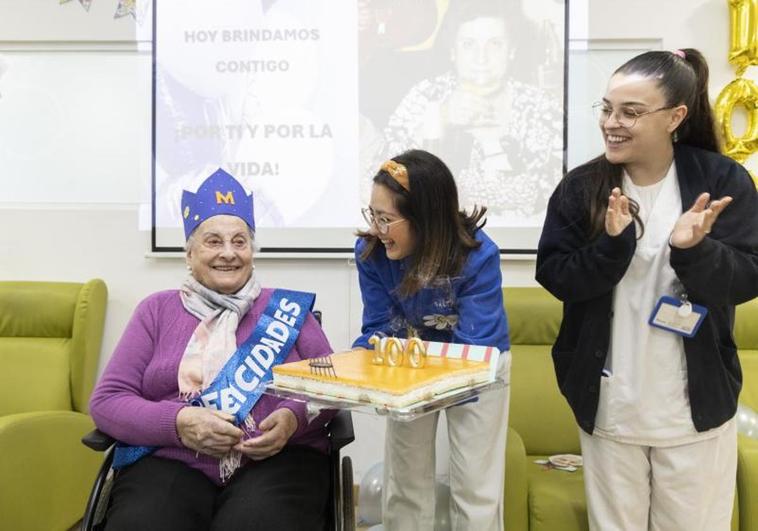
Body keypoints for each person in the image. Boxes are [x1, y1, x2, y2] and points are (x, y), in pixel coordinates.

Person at [536, 49, 758, 530]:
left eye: (631, 113)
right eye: (608, 108)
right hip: (612, 402)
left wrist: (696, 250)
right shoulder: (583, 188)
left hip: (693, 406)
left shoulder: (721, 181)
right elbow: (555, 274)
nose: (612, 123)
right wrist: (612, 249)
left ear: (675, 116)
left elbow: (746, 277)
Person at [90, 168, 335, 531]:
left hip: (277, 460)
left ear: (253, 250)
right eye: (213, 241)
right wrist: (177, 423)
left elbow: (330, 384)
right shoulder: (156, 310)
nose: (228, 253)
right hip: (173, 459)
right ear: (189, 252)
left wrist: (290, 419)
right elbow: (107, 401)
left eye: (239, 241)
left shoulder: (286, 309)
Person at [353, 149, 511, 530]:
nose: (376, 228)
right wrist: (358, 366)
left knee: (475, 486)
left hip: (479, 364)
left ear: (424, 217)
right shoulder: (372, 253)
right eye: (372, 215)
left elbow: (475, 346)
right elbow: (380, 327)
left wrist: (418, 363)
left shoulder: (477, 255)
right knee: (405, 482)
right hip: (413, 362)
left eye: (386, 218)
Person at [373, 0, 562, 219]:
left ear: (511, 51)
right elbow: (382, 181)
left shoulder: (540, 106)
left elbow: (551, 192)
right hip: (434, 242)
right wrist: (439, 120)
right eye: (468, 44)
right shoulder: (426, 96)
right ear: (453, 51)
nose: (481, 57)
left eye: (495, 44)